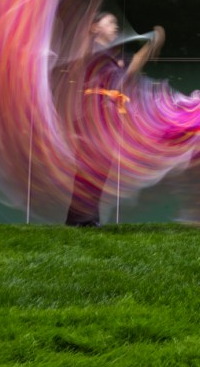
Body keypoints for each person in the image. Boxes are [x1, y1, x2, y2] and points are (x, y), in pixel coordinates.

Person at [65, 12, 164, 227]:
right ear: (94, 28)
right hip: (91, 121)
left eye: (116, 23)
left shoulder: (114, 55)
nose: (116, 27)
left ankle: (86, 220)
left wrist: (151, 44)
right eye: (110, 22)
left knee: (99, 172)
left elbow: (132, 68)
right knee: (88, 171)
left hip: (107, 122)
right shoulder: (89, 53)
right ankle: (81, 220)